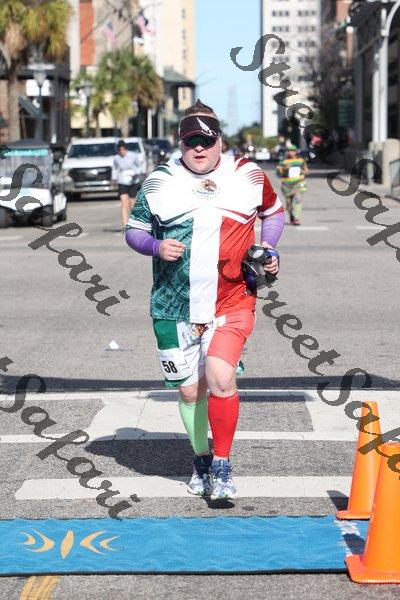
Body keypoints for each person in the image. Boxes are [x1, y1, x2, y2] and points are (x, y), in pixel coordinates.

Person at [125, 100, 284, 500]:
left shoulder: (247, 173)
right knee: (189, 392)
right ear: (180, 142)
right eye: (190, 141)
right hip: (172, 305)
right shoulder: (160, 180)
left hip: (233, 299)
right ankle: (200, 458)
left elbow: (274, 211)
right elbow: (134, 230)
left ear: (219, 141)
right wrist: (155, 246)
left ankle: (222, 465)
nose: (199, 148)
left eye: (206, 140)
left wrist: (269, 246)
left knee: (221, 377)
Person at [276, 144, 309, 226]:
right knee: (289, 203)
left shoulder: (301, 160)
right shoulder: (284, 161)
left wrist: (305, 172)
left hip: (299, 183)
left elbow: (306, 169)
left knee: (298, 200)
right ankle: (292, 216)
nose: (291, 152)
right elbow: (278, 172)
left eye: (293, 151)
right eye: (290, 151)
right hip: (287, 184)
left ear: (296, 152)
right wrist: (284, 168)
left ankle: (296, 218)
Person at [112, 140, 142, 229]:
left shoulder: (133, 156)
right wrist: (114, 179)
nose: (121, 151)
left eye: (123, 149)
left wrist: (136, 173)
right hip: (122, 181)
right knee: (124, 203)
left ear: (126, 149)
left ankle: (135, 224)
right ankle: (125, 225)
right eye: (119, 150)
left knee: (132, 203)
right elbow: (115, 168)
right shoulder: (116, 158)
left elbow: (140, 166)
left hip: (133, 181)